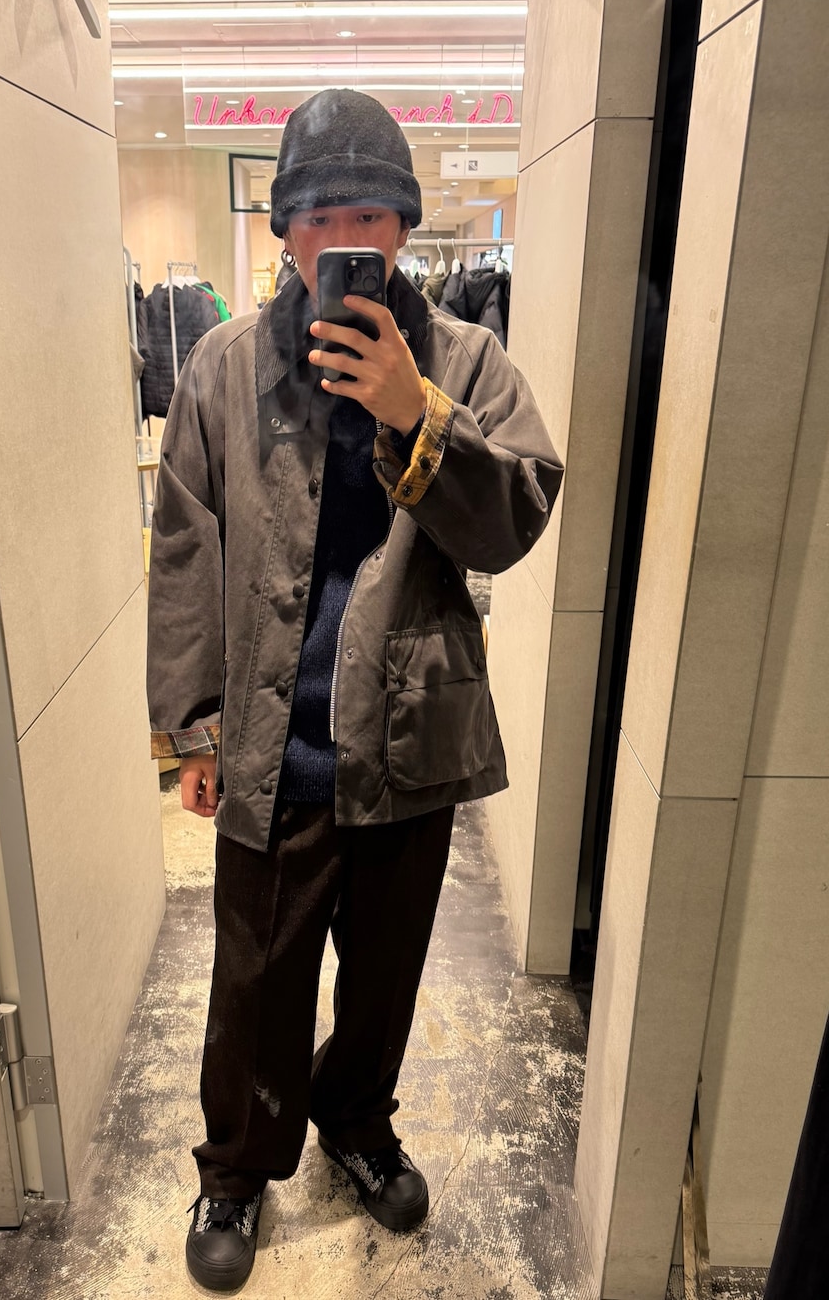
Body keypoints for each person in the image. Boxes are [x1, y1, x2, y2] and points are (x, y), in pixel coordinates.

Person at [147, 88, 563, 1293]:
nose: (343, 238)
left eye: (368, 215)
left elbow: (511, 522)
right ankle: (237, 1163)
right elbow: (185, 547)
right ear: (284, 230)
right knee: (254, 985)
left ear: (403, 228)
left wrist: (413, 413)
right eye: (319, 216)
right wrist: (192, 730)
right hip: (272, 744)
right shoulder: (225, 364)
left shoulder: (466, 362)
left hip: (407, 739)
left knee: (382, 980)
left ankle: (357, 1123)